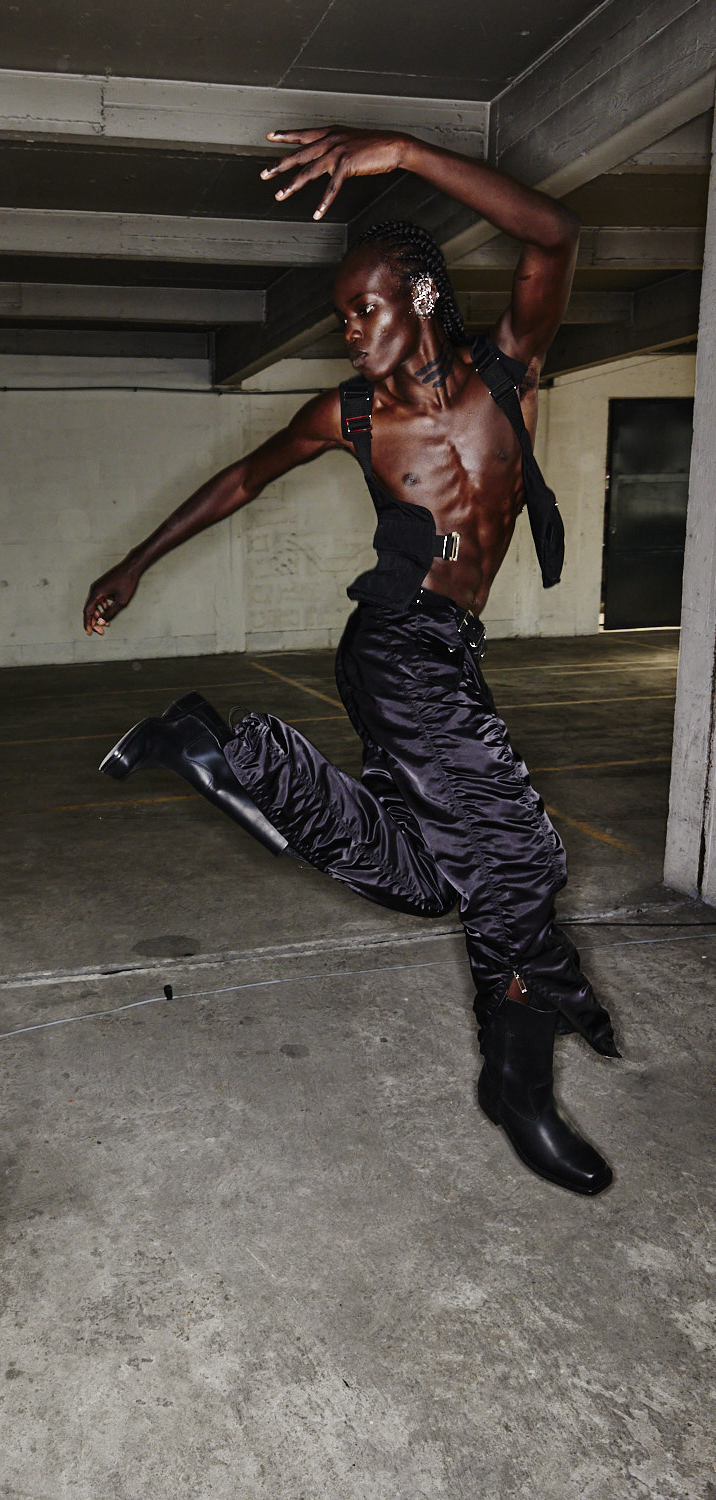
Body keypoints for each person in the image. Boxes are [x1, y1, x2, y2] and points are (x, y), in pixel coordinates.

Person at [82, 128, 620, 1196]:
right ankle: (515, 1091)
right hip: (394, 652)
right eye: (341, 317)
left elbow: (553, 233)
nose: (349, 330)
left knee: (438, 879)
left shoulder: (505, 373)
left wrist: (402, 154)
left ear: (419, 295)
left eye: (362, 308)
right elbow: (243, 479)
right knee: (512, 861)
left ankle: (224, 754)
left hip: (443, 659)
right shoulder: (353, 416)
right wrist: (137, 561)